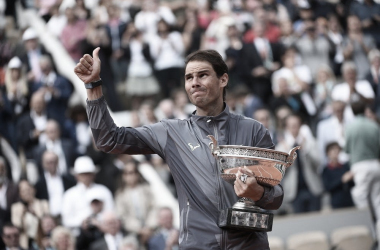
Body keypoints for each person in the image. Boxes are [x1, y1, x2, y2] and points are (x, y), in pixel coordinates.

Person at [74, 48, 284, 249]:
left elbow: (276, 196)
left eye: (202, 75)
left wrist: (257, 192)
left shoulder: (254, 130)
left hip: (249, 245)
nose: (194, 83)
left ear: (223, 79)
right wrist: (94, 86)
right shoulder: (171, 132)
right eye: (189, 78)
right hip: (199, 246)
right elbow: (108, 139)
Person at [322, 142, 354, 209]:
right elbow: (327, 187)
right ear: (328, 153)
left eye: (337, 150)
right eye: (333, 150)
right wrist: (342, 180)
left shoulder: (345, 166)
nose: (335, 152)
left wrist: (351, 178)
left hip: (348, 200)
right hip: (336, 202)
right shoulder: (326, 170)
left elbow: (352, 184)